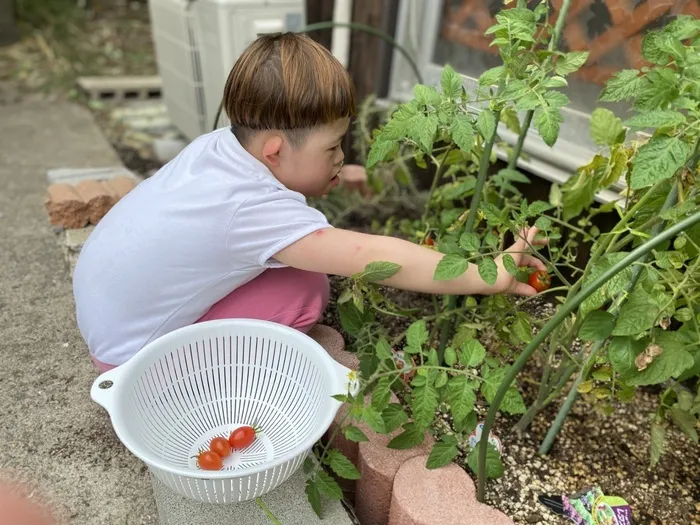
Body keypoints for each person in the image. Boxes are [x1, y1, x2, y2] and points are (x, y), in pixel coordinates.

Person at [73, 33, 546, 373]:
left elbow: (266, 190)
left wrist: (335, 172)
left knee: (293, 266)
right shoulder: (253, 212)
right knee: (305, 290)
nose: (342, 156)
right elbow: (374, 256)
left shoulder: (219, 146)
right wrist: (491, 276)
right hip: (130, 359)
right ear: (275, 151)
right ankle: (215, 379)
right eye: (333, 149)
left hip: (105, 309)